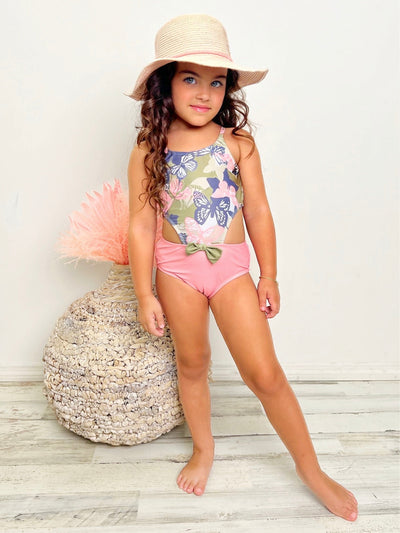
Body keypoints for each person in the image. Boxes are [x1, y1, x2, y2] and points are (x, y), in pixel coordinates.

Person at [126, 13, 358, 522]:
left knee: (265, 374)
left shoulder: (237, 143)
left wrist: (268, 274)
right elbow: (141, 225)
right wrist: (144, 292)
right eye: (191, 78)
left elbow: (258, 210)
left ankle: (311, 469)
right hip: (175, 271)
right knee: (192, 364)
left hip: (230, 269)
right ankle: (203, 448)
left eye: (216, 82)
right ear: (165, 84)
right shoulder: (149, 149)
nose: (204, 92)